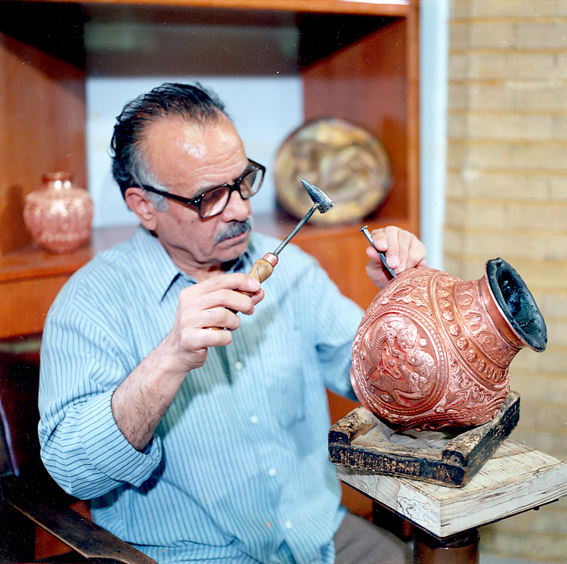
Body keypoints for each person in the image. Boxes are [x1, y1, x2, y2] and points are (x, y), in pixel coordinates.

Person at [38, 83, 427, 564]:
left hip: (316, 536)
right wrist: (170, 359)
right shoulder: (90, 303)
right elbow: (74, 473)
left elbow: (378, 382)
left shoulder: (293, 270)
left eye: (243, 181)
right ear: (144, 206)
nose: (242, 210)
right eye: (209, 197)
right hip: (188, 555)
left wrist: (399, 301)